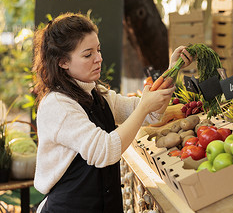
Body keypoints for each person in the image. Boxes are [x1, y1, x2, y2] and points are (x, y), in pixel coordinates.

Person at [32, 12, 192, 212]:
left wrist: (173, 70)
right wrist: (143, 107)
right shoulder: (57, 105)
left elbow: (151, 114)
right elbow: (104, 151)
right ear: (62, 62)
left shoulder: (97, 93)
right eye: (88, 54)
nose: (99, 58)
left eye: (98, 50)